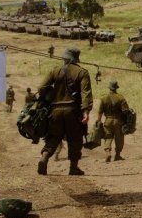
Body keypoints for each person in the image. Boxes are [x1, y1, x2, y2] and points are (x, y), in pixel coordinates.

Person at [37, 47, 92, 176]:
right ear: (76, 59)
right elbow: (86, 94)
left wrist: (50, 97)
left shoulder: (55, 71)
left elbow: (41, 88)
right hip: (72, 111)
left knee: (53, 136)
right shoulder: (82, 72)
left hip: (55, 111)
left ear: (64, 58)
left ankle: (44, 158)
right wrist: (86, 111)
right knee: (75, 139)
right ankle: (73, 168)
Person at [97, 80, 129, 163]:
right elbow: (126, 111)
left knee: (108, 137)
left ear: (109, 88)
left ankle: (108, 152)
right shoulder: (121, 98)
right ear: (116, 88)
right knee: (119, 139)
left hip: (108, 121)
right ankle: (117, 155)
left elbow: (100, 111)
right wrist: (127, 121)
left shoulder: (104, 98)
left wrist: (98, 121)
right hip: (119, 122)